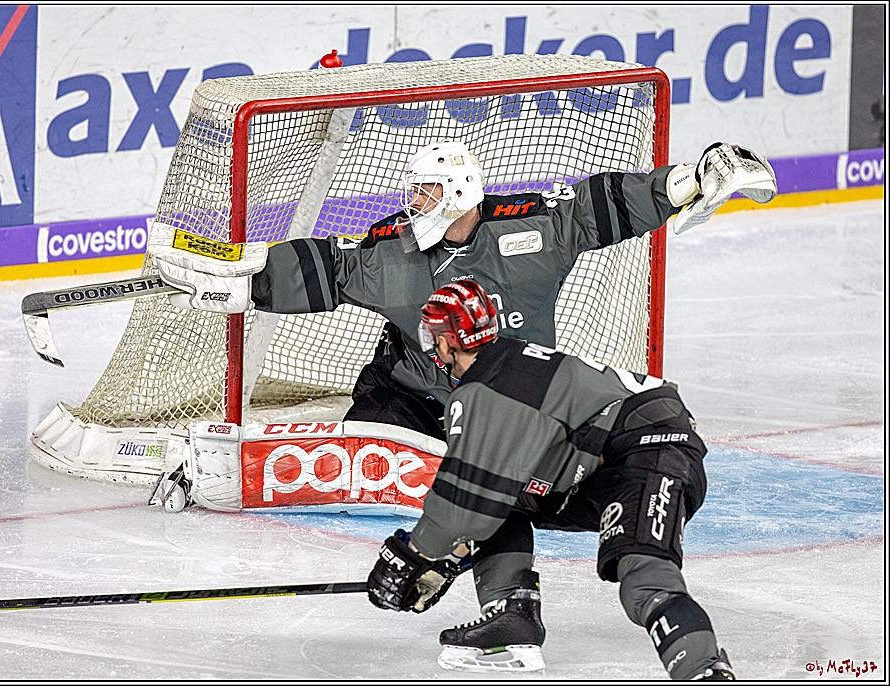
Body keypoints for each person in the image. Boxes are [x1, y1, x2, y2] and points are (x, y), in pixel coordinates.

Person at [150, 141, 777, 441]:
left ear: (457, 194)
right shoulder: (395, 249)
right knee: (369, 450)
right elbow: (331, 268)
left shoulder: (532, 230)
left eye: (426, 191)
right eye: (414, 190)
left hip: (512, 394)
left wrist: (686, 182)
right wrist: (246, 277)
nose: (414, 202)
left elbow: (596, 208)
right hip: (414, 393)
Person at [365, 279, 735, 680]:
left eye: (432, 337)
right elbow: (485, 497)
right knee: (505, 498)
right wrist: (446, 559)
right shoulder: (507, 365)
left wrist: (410, 556)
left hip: (651, 451)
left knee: (645, 581)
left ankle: (704, 671)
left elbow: (460, 506)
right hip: (608, 464)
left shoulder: (485, 391)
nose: (432, 347)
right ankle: (512, 617)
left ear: (446, 341)